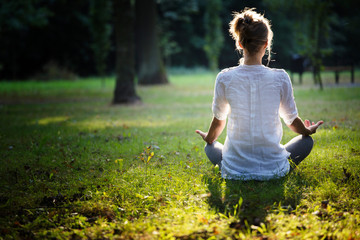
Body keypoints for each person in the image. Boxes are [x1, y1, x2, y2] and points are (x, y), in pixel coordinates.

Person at [195, 8, 323, 180]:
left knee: (209, 147)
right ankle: (274, 167)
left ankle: (236, 166)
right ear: (266, 44)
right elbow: (292, 121)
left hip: (234, 170)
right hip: (274, 169)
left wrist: (208, 138)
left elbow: (219, 121)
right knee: (307, 141)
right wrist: (307, 130)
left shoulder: (224, 77)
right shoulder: (280, 77)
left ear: (240, 44)